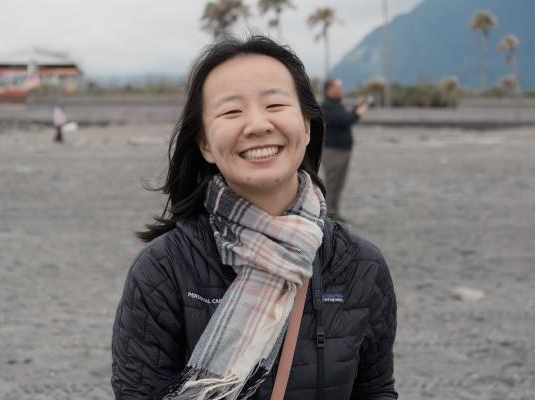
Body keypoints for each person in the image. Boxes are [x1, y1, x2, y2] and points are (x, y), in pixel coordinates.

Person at [111, 36, 397, 400]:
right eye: (232, 112)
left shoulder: (360, 265)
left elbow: (375, 389)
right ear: (204, 144)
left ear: (307, 126)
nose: (257, 124)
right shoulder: (162, 270)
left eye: (275, 104)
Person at [321, 78, 367, 221]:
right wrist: (357, 113)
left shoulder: (335, 104)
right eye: (338, 87)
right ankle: (328, 216)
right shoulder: (326, 106)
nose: (341, 89)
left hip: (342, 150)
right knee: (332, 184)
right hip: (333, 152)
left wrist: (356, 108)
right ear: (329, 89)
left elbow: (345, 117)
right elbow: (344, 120)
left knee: (339, 184)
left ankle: (334, 213)